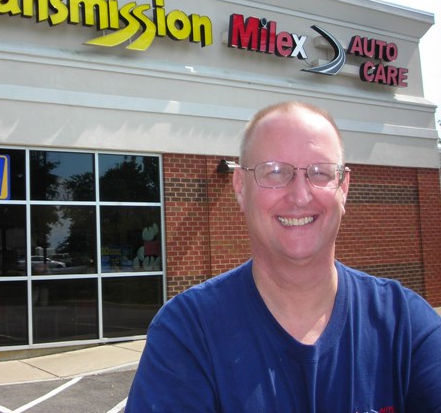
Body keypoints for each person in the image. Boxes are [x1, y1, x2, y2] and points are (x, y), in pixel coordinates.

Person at [126, 101, 441, 412]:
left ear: (344, 187)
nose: (300, 196)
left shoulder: (406, 326)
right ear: (240, 187)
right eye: (275, 172)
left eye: (320, 172)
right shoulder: (187, 333)